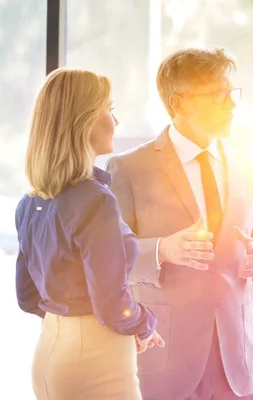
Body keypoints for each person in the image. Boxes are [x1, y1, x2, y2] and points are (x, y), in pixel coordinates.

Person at [105, 47, 253, 400]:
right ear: (179, 103)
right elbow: (110, 259)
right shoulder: (128, 168)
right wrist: (161, 249)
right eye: (219, 95)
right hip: (166, 361)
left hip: (236, 363)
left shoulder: (252, 169)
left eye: (232, 94)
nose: (232, 105)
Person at [15, 67, 164, 400]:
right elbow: (112, 305)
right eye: (109, 109)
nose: (116, 120)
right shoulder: (95, 200)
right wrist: (144, 323)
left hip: (50, 352)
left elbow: (27, 297)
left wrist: (71, 322)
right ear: (83, 121)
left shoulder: (30, 203)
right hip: (97, 360)